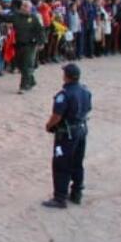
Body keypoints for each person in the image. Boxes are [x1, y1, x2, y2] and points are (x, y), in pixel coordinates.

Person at [43, 63, 93, 209]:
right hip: (81, 129)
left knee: (61, 164)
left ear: (67, 77)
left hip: (67, 133)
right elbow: (88, 108)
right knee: (77, 162)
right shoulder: (85, 90)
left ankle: (60, 197)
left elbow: (57, 115)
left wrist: (49, 125)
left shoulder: (64, 95)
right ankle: (77, 192)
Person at [9, 0, 44, 93]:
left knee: (27, 65)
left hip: (30, 45)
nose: (23, 8)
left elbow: (40, 31)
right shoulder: (16, 16)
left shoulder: (33, 18)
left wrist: (41, 42)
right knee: (20, 65)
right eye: (22, 6)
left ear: (30, 8)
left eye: (26, 6)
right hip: (19, 45)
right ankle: (31, 81)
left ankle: (23, 86)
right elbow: (5, 18)